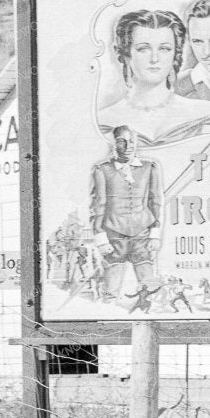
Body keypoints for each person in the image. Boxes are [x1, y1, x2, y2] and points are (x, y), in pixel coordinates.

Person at [95, 7, 210, 146]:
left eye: (164, 49)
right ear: (125, 53)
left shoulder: (205, 113)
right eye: (143, 49)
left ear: (175, 53)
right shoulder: (104, 120)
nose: (154, 58)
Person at [88, 125, 163, 309]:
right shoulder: (102, 170)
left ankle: (147, 313)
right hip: (114, 235)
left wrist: (155, 234)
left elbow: (156, 201)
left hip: (142, 234)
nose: (128, 146)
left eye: (132, 141)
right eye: (122, 141)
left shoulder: (149, 168)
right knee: (110, 289)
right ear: (114, 143)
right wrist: (100, 237)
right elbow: (98, 205)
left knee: (148, 286)